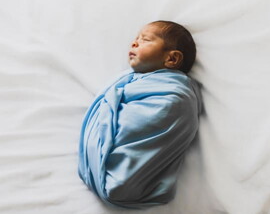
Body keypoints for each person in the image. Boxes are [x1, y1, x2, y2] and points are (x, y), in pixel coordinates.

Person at [78, 20, 202, 209]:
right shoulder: (131, 80)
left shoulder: (176, 95)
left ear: (172, 59)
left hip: (130, 181)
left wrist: (112, 102)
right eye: (136, 39)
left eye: (145, 40)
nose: (134, 43)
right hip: (123, 184)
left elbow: (153, 117)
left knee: (121, 185)